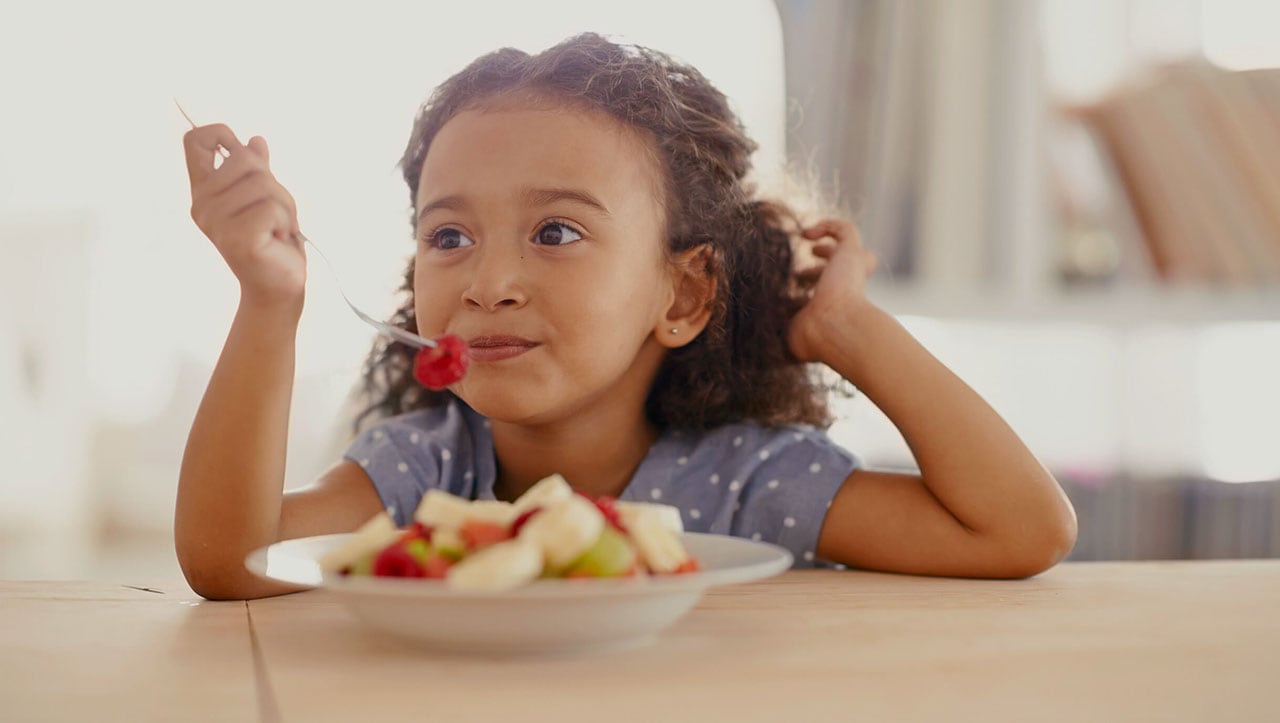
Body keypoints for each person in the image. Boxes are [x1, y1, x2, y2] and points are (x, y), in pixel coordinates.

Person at [176, 33, 1076, 600]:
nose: (489, 281)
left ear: (682, 294)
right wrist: (269, 300)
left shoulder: (744, 482)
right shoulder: (428, 467)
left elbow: (1020, 530)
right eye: (448, 235)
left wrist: (849, 332)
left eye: (555, 230)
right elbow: (235, 561)